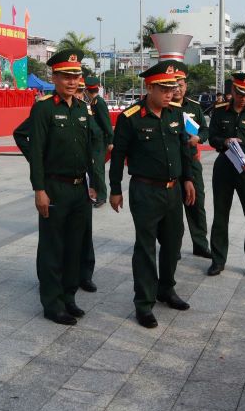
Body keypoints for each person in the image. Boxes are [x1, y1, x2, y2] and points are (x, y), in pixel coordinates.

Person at [14, 49, 100, 326]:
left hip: (79, 188)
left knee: (75, 247)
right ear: (54, 77)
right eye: (66, 76)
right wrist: (39, 188)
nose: (72, 81)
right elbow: (36, 150)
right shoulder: (44, 108)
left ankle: (69, 296)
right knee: (52, 248)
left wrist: (93, 184)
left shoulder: (83, 108)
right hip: (54, 188)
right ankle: (52, 303)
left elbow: (89, 150)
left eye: (76, 76)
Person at [109, 62, 196, 328]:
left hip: (173, 190)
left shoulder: (175, 113)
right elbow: (118, 155)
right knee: (146, 248)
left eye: (172, 88)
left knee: (173, 243)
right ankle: (144, 303)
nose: (170, 93)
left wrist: (188, 179)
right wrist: (115, 189)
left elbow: (184, 149)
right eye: (164, 89)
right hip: (145, 190)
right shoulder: (131, 117)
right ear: (150, 88)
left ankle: (166, 289)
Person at [207, 73, 245, 279]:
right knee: (220, 215)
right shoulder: (219, 111)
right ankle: (218, 260)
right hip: (224, 167)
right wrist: (224, 141)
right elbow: (212, 137)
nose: (244, 98)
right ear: (233, 91)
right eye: (240, 94)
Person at [170, 65, 211, 259]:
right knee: (173, 208)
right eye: (173, 86)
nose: (177, 89)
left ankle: (200, 245)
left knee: (197, 203)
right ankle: (173, 247)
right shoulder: (165, 106)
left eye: (180, 85)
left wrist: (199, 138)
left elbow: (205, 129)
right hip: (173, 163)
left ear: (186, 86)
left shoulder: (194, 107)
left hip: (192, 162)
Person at [80, 75, 113, 292]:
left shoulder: (98, 103)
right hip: (93, 141)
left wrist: (110, 140)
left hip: (100, 140)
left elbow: (105, 122)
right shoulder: (91, 102)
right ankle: (97, 192)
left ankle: (102, 195)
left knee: (98, 170)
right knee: (93, 169)